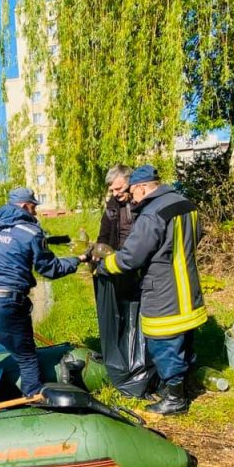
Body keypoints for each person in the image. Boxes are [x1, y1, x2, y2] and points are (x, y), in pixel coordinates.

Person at [0, 187, 91, 414]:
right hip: (8, 304)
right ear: (23, 206)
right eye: (33, 206)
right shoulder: (32, 232)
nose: (36, 212)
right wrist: (77, 260)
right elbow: (49, 269)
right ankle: (33, 399)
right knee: (26, 356)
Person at [97, 165, 207, 415]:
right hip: (188, 286)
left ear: (142, 187)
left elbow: (131, 257)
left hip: (163, 288)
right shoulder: (186, 204)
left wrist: (105, 266)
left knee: (163, 342)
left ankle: (175, 399)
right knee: (183, 338)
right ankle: (183, 385)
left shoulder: (152, 213)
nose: (133, 200)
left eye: (133, 194)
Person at [93, 164, 159, 398]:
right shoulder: (113, 206)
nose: (115, 193)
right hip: (118, 264)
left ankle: (145, 364)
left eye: (118, 188)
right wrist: (99, 256)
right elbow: (104, 234)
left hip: (141, 264)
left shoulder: (145, 203)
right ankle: (122, 355)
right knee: (120, 311)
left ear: (132, 183)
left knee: (141, 312)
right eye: (111, 189)